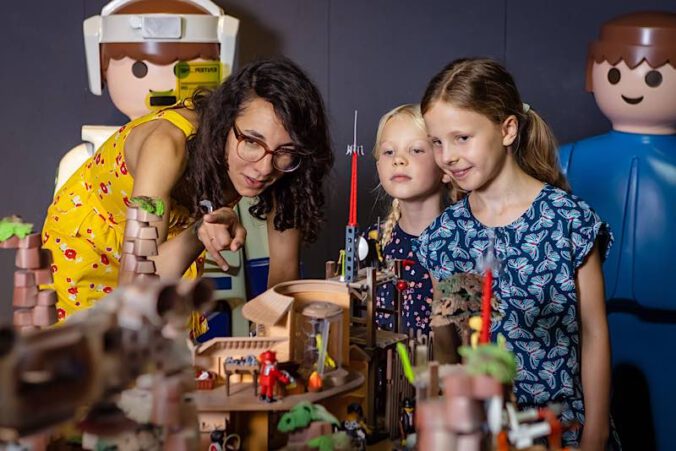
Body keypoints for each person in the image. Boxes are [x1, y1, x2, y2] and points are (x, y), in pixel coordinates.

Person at [415, 58, 618, 449]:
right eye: (438, 142)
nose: (448, 156)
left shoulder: (569, 221)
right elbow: (447, 350)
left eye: (462, 138)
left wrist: (596, 431)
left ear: (507, 130)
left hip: (564, 429)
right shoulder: (443, 237)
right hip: (483, 433)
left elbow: (594, 332)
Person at [42, 57, 333, 321]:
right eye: (251, 142)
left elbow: (282, 278)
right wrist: (198, 234)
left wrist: (279, 351)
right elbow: (133, 294)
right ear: (224, 123)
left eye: (286, 151)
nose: (264, 168)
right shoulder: (166, 146)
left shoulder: (285, 170)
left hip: (160, 257)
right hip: (87, 247)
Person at [559, 14, 675, 447]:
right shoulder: (566, 158)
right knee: (586, 418)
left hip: (669, 322)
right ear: (594, 72)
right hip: (587, 312)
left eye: (656, 74)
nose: (634, 84)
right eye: (614, 71)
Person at [370, 104, 451, 337]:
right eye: (388, 152)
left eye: (415, 150)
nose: (399, 160)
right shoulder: (372, 242)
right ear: (379, 167)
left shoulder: (461, 244)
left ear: (445, 167)